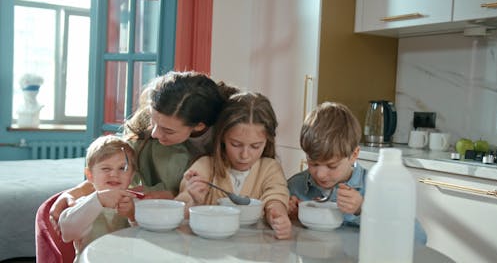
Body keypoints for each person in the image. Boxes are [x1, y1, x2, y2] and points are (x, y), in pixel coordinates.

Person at [50, 71, 239, 230]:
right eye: (153, 121)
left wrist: (174, 196)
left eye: (168, 130)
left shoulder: (231, 141)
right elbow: (114, 170)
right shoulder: (146, 128)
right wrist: (75, 192)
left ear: (199, 126)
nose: (155, 133)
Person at [287, 101, 427, 244]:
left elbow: (418, 238)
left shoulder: (375, 188)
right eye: (313, 163)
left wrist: (363, 209)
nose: (320, 174)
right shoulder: (295, 187)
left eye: (332, 166)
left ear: (354, 155)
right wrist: (288, 216)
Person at [175, 92, 292, 239]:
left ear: (267, 141)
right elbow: (178, 217)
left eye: (255, 146)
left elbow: (275, 196)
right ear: (222, 137)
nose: (245, 155)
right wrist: (194, 201)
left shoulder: (270, 168)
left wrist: (277, 215)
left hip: (252, 253)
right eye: (236, 144)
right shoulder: (204, 167)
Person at [58, 135, 137, 261]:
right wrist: (98, 200)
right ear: (90, 175)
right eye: (106, 168)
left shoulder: (134, 203)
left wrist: (133, 216)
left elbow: (146, 240)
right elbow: (67, 233)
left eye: (122, 168)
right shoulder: (83, 203)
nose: (114, 174)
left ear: (132, 175)